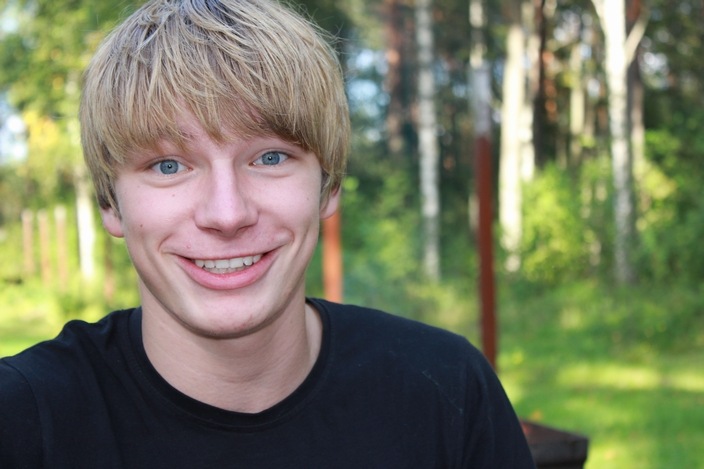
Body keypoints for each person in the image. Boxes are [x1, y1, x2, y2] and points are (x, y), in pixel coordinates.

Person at [0, 0, 535, 467]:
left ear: (329, 186)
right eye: (168, 166)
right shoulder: (22, 421)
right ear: (109, 202)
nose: (227, 213)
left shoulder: (446, 392)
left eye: (270, 157)